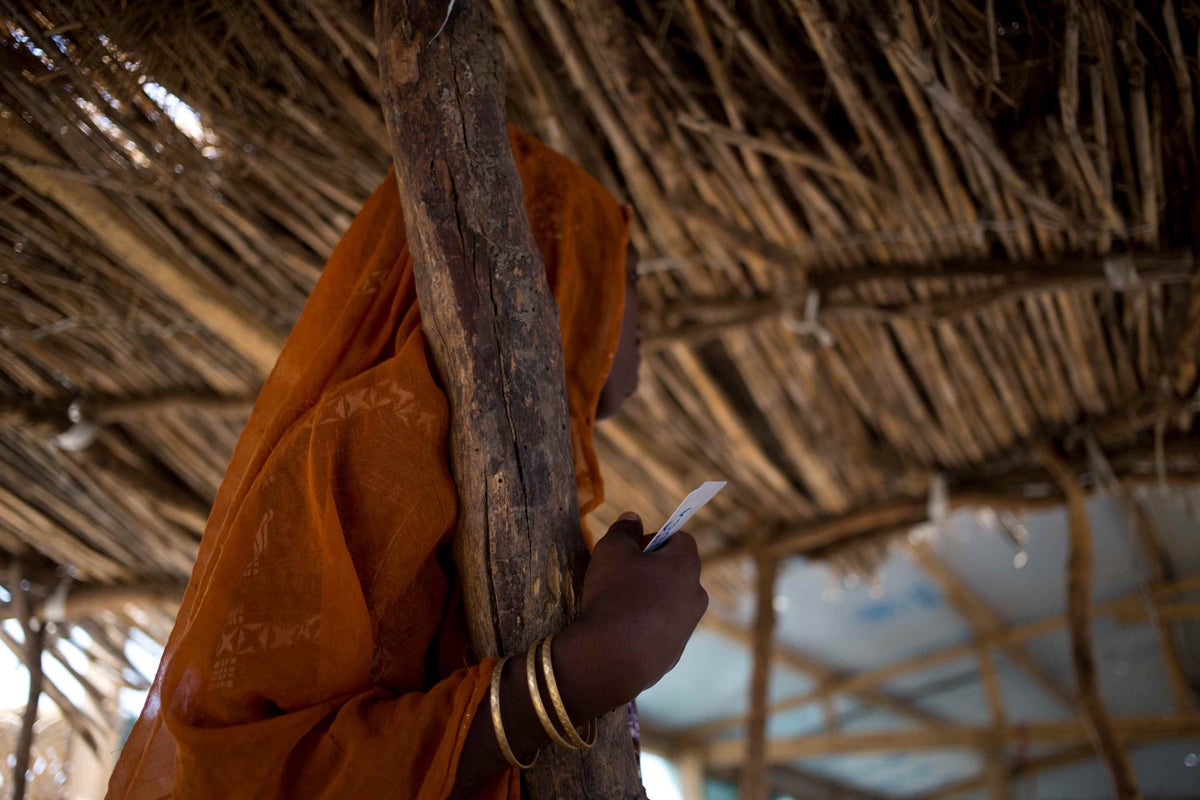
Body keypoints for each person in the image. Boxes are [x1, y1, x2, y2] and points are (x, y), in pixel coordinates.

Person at [107, 128, 708, 800]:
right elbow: (239, 772)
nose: (641, 319)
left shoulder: (523, 487)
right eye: (620, 273)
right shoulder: (384, 440)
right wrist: (571, 679)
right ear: (545, 273)